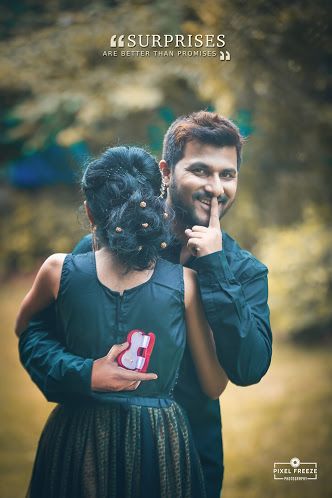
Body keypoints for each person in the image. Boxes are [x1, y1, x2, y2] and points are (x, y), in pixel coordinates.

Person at [19, 111, 272, 497]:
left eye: (228, 174)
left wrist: (216, 269)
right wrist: (82, 373)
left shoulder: (244, 271)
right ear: (166, 171)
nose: (216, 187)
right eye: (201, 170)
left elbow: (249, 368)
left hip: (187, 461)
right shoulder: (102, 248)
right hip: (92, 456)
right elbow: (37, 335)